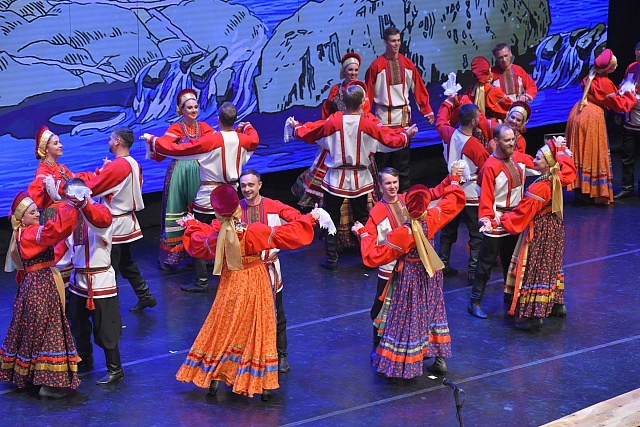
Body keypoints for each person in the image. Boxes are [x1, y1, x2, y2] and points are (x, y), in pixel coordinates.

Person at [175, 184, 322, 400]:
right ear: (237, 208)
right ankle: (263, 384)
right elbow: (285, 233)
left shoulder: (219, 234)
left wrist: (191, 224)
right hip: (255, 281)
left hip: (231, 283)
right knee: (259, 327)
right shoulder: (253, 231)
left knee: (225, 326)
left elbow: (199, 241)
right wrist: (310, 218)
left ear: (217, 213)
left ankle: (215, 378)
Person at [291, 84, 417, 270]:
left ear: (343, 102)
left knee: (330, 216)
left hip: (336, 178)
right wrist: (406, 136)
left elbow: (312, 134)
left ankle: (331, 258)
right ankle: (368, 255)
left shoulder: (333, 122)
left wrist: (297, 128)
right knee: (363, 217)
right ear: (363, 102)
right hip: (360, 179)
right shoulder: (369, 125)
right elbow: (388, 142)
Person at [143, 102, 259, 292]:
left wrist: (154, 140)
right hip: (230, 195)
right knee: (231, 235)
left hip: (209, 196)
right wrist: (247, 126)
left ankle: (202, 280)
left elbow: (180, 150)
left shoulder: (211, 140)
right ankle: (231, 276)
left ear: (218, 119)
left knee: (197, 235)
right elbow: (254, 138)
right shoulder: (243, 140)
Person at [355, 179, 465, 378]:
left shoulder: (402, 233)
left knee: (405, 318)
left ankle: (403, 366)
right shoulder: (432, 218)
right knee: (432, 312)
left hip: (410, 277)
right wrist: (454, 183)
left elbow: (373, 257)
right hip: (430, 275)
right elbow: (453, 202)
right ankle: (439, 359)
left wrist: (363, 235)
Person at [0, 190, 81, 399]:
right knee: (49, 330)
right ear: (22, 218)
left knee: (33, 331)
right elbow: (54, 232)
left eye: (37, 211)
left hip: (33, 285)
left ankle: (30, 376)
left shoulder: (22, 232)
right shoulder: (29, 234)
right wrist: (69, 206)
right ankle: (49, 383)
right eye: (33, 212)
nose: (38, 214)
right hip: (40, 287)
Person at [292, 52, 373, 252]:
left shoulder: (363, 91)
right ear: (344, 71)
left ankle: (360, 241)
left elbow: (368, 118)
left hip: (355, 144)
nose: (353, 73)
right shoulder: (335, 91)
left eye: (356, 70)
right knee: (332, 206)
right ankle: (334, 246)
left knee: (358, 205)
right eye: (350, 70)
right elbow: (325, 118)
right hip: (337, 142)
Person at [495, 138, 577, 330]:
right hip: (554, 227)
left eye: (539, 158)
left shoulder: (539, 187)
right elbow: (569, 171)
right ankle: (556, 304)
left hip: (540, 230)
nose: (535, 160)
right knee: (551, 265)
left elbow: (522, 213)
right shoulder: (557, 177)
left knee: (536, 268)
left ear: (548, 164)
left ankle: (532, 315)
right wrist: (561, 151)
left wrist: (501, 220)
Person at [468, 124, 537, 319]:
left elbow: (539, 164)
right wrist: (487, 220)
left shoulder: (519, 158)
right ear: (496, 141)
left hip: (514, 218)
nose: (511, 143)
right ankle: (474, 301)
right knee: (486, 263)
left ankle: (510, 297)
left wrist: (557, 151)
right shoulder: (490, 167)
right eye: (507, 140)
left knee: (511, 261)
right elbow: (486, 197)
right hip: (496, 220)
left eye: (513, 139)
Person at [85, 127, 156, 312]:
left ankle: (109, 311)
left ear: (118, 141)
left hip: (115, 224)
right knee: (125, 262)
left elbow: (93, 188)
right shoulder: (133, 163)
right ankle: (145, 296)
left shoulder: (118, 166)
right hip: (127, 221)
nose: (109, 142)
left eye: (111, 138)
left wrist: (70, 187)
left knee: (109, 268)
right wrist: (107, 170)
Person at [239, 169, 302, 373]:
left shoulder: (274, 206)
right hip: (245, 272)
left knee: (277, 314)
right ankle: (248, 356)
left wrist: (312, 217)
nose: (247, 189)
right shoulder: (236, 210)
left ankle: (281, 355)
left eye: (251, 185)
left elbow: (296, 218)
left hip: (269, 270)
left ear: (260, 185)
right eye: (243, 185)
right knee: (245, 316)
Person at [64, 178, 125, 385]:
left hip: (100, 281)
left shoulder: (101, 211)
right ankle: (84, 358)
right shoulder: (71, 216)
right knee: (78, 323)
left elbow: (101, 220)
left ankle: (115, 368)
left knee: (106, 327)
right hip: (78, 280)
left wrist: (84, 204)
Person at [365, 26, 434, 192]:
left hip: (403, 118)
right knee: (382, 162)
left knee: (402, 163)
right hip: (383, 119)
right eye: (392, 41)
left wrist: (426, 110)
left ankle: (404, 196)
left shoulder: (408, 64)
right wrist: (365, 116)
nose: (396, 44)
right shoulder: (376, 66)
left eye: (398, 40)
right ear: (385, 42)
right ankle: (380, 197)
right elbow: (367, 93)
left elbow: (419, 87)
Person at [566, 48, 637, 205]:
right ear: (607, 68)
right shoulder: (604, 83)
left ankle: (580, 189)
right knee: (591, 151)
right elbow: (618, 103)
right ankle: (589, 191)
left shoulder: (591, 75)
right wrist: (630, 96)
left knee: (580, 151)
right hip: (591, 117)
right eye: (614, 66)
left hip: (578, 112)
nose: (616, 67)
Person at [151, 89, 212, 269]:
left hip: (200, 174)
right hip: (179, 175)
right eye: (189, 108)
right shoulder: (176, 128)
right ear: (181, 110)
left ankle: (204, 253)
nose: (194, 110)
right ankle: (173, 256)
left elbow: (217, 143)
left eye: (195, 107)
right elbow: (163, 147)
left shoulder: (204, 127)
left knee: (199, 212)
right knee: (178, 211)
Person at [436, 102, 489, 284]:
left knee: (448, 230)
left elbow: (440, 121)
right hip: (470, 194)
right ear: (473, 122)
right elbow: (486, 170)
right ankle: (473, 272)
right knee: (476, 234)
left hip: (452, 190)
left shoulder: (449, 133)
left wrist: (448, 102)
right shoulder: (475, 146)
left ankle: (442, 265)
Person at [614, 43, 640, 199]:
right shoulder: (631, 67)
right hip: (630, 122)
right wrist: (618, 111)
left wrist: (634, 97)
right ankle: (627, 187)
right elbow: (622, 88)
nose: (638, 60)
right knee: (627, 156)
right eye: (637, 57)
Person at [462, 56, 512, 121]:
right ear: (489, 71)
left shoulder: (470, 91)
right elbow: (510, 107)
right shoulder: (494, 91)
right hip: (493, 125)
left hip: (474, 125)